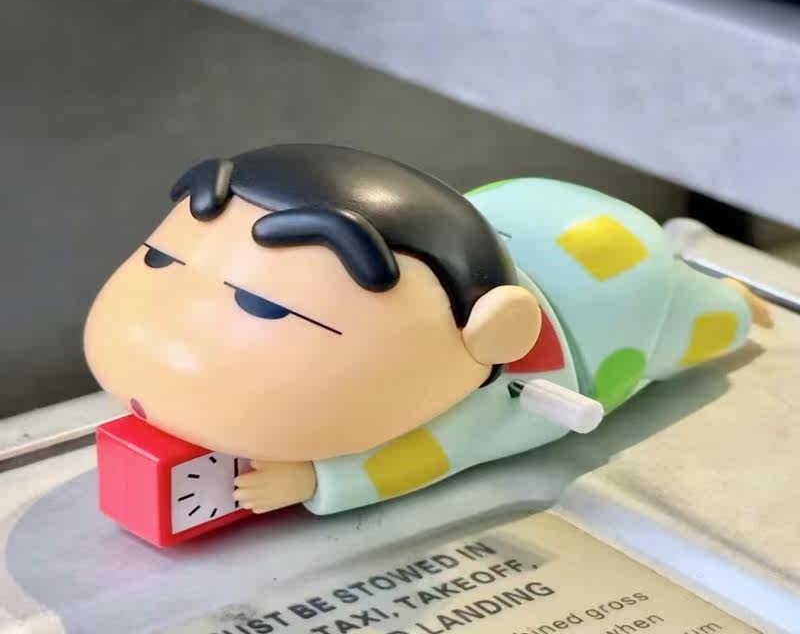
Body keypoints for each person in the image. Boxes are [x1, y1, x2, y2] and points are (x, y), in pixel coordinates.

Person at [84, 144, 769, 517]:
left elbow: (440, 449)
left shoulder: (480, 389)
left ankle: (735, 301)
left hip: (621, 282)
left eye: (266, 307)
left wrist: (317, 478)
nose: (167, 345)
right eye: (159, 258)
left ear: (489, 338)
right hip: (518, 215)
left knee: (705, 324)